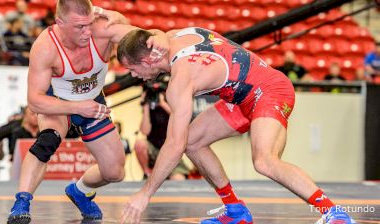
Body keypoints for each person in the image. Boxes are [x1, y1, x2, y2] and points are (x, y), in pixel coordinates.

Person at [116, 27, 356, 224]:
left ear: (149, 59)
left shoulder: (180, 80)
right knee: (193, 141)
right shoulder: (171, 37)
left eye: (132, 68)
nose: (133, 75)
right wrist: (155, 34)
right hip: (242, 97)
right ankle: (235, 210)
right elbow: (148, 35)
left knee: (264, 161)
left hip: (269, 89)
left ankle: (334, 214)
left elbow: (173, 144)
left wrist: (144, 194)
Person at [6, 1, 169, 224]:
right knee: (47, 141)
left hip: (92, 101)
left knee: (114, 172)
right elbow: (35, 101)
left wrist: (157, 35)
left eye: (88, 24)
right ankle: (22, 203)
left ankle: (79, 191)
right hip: (57, 101)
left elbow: (140, 39)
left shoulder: (101, 28)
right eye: (79, 27)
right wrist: (77, 107)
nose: (86, 32)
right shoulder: (46, 46)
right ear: (59, 23)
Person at [134, 85, 189, 180]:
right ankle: (147, 173)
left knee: (179, 180)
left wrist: (162, 103)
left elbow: (179, 119)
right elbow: (145, 131)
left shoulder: (171, 104)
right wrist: (146, 106)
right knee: (139, 144)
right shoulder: (149, 109)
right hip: (154, 150)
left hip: (170, 151)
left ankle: (169, 174)